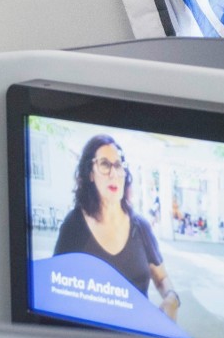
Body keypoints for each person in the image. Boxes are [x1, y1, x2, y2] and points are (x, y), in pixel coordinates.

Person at [52, 134, 180, 321]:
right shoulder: (74, 225)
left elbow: (161, 278)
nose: (114, 173)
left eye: (118, 165)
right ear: (90, 173)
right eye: (105, 164)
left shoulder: (141, 226)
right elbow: (56, 290)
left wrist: (172, 298)